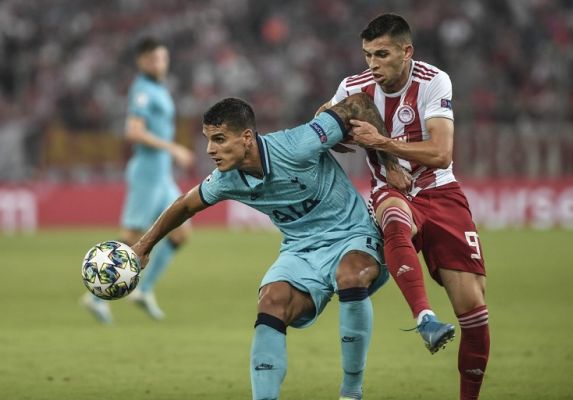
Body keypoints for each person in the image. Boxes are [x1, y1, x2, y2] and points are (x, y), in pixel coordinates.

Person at [130, 94, 392, 400]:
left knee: (350, 275)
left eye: (219, 139)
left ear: (246, 137)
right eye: (207, 140)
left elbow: (358, 103)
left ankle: (351, 391)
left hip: (352, 235)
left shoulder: (298, 144)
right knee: (272, 300)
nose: (210, 150)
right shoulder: (226, 179)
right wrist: (142, 246)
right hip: (300, 249)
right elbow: (185, 205)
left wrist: (391, 162)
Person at [323, 14, 490, 399]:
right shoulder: (355, 86)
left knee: (475, 313)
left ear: (406, 51)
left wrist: (383, 145)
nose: (373, 64)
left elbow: (442, 153)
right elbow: (321, 119)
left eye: (382, 54)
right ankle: (425, 318)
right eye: (367, 55)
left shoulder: (433, 80)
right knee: (393, 215)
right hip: (390, 192)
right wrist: (338, 133)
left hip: (440, 193)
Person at [81, 37, 194, 323]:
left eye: (163, 58)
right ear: (142, 61)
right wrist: (174, 148)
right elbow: (133, 131)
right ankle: (95, 297)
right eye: (154, 59)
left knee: (181, 233)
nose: (160, 64)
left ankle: (143, 290)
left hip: (162, 174)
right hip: (147, 172)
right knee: (132, 239)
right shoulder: (142, 90)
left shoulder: (158, 89)